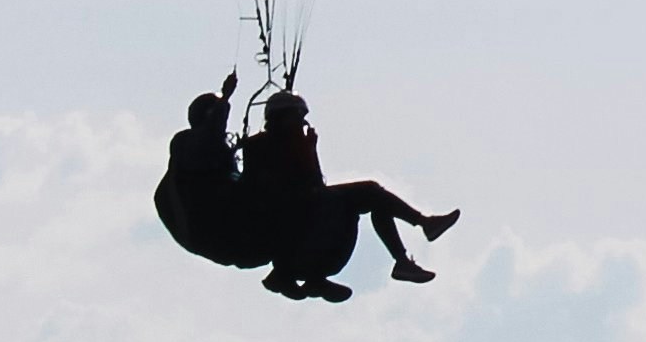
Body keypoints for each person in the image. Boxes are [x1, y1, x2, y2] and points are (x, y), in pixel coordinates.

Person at [237, 85, 458, 301]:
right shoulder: (266, 145)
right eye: (297, 117)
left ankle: (404, 257)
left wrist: (307, 150)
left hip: (305, 207)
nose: (302, 123)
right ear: (282, 118)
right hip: (297, 212)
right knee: (370, 191)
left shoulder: (282, 143)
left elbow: (311, 181)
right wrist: (308, 150)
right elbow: (301, 184)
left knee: (376, 200)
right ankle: (420, 229)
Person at [151, 76, 266, 269]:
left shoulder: (210, 156)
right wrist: (225, 97)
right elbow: (210, 132)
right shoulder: (186, 144)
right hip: (215, 232)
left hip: (217, 234)